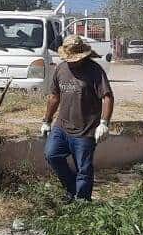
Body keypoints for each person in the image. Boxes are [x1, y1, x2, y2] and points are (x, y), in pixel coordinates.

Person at [40, 35, 114, 201]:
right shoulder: (61, 69)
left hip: (85, 130)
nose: (72, 62)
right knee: (52, 155)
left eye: (76, 58)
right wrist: (46, 120)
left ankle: (81, 202)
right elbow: (54, 96)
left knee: (84, 169)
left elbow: (107, 97)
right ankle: (72, 189)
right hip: (62, 126)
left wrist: (104, 123)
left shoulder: (95, 71)